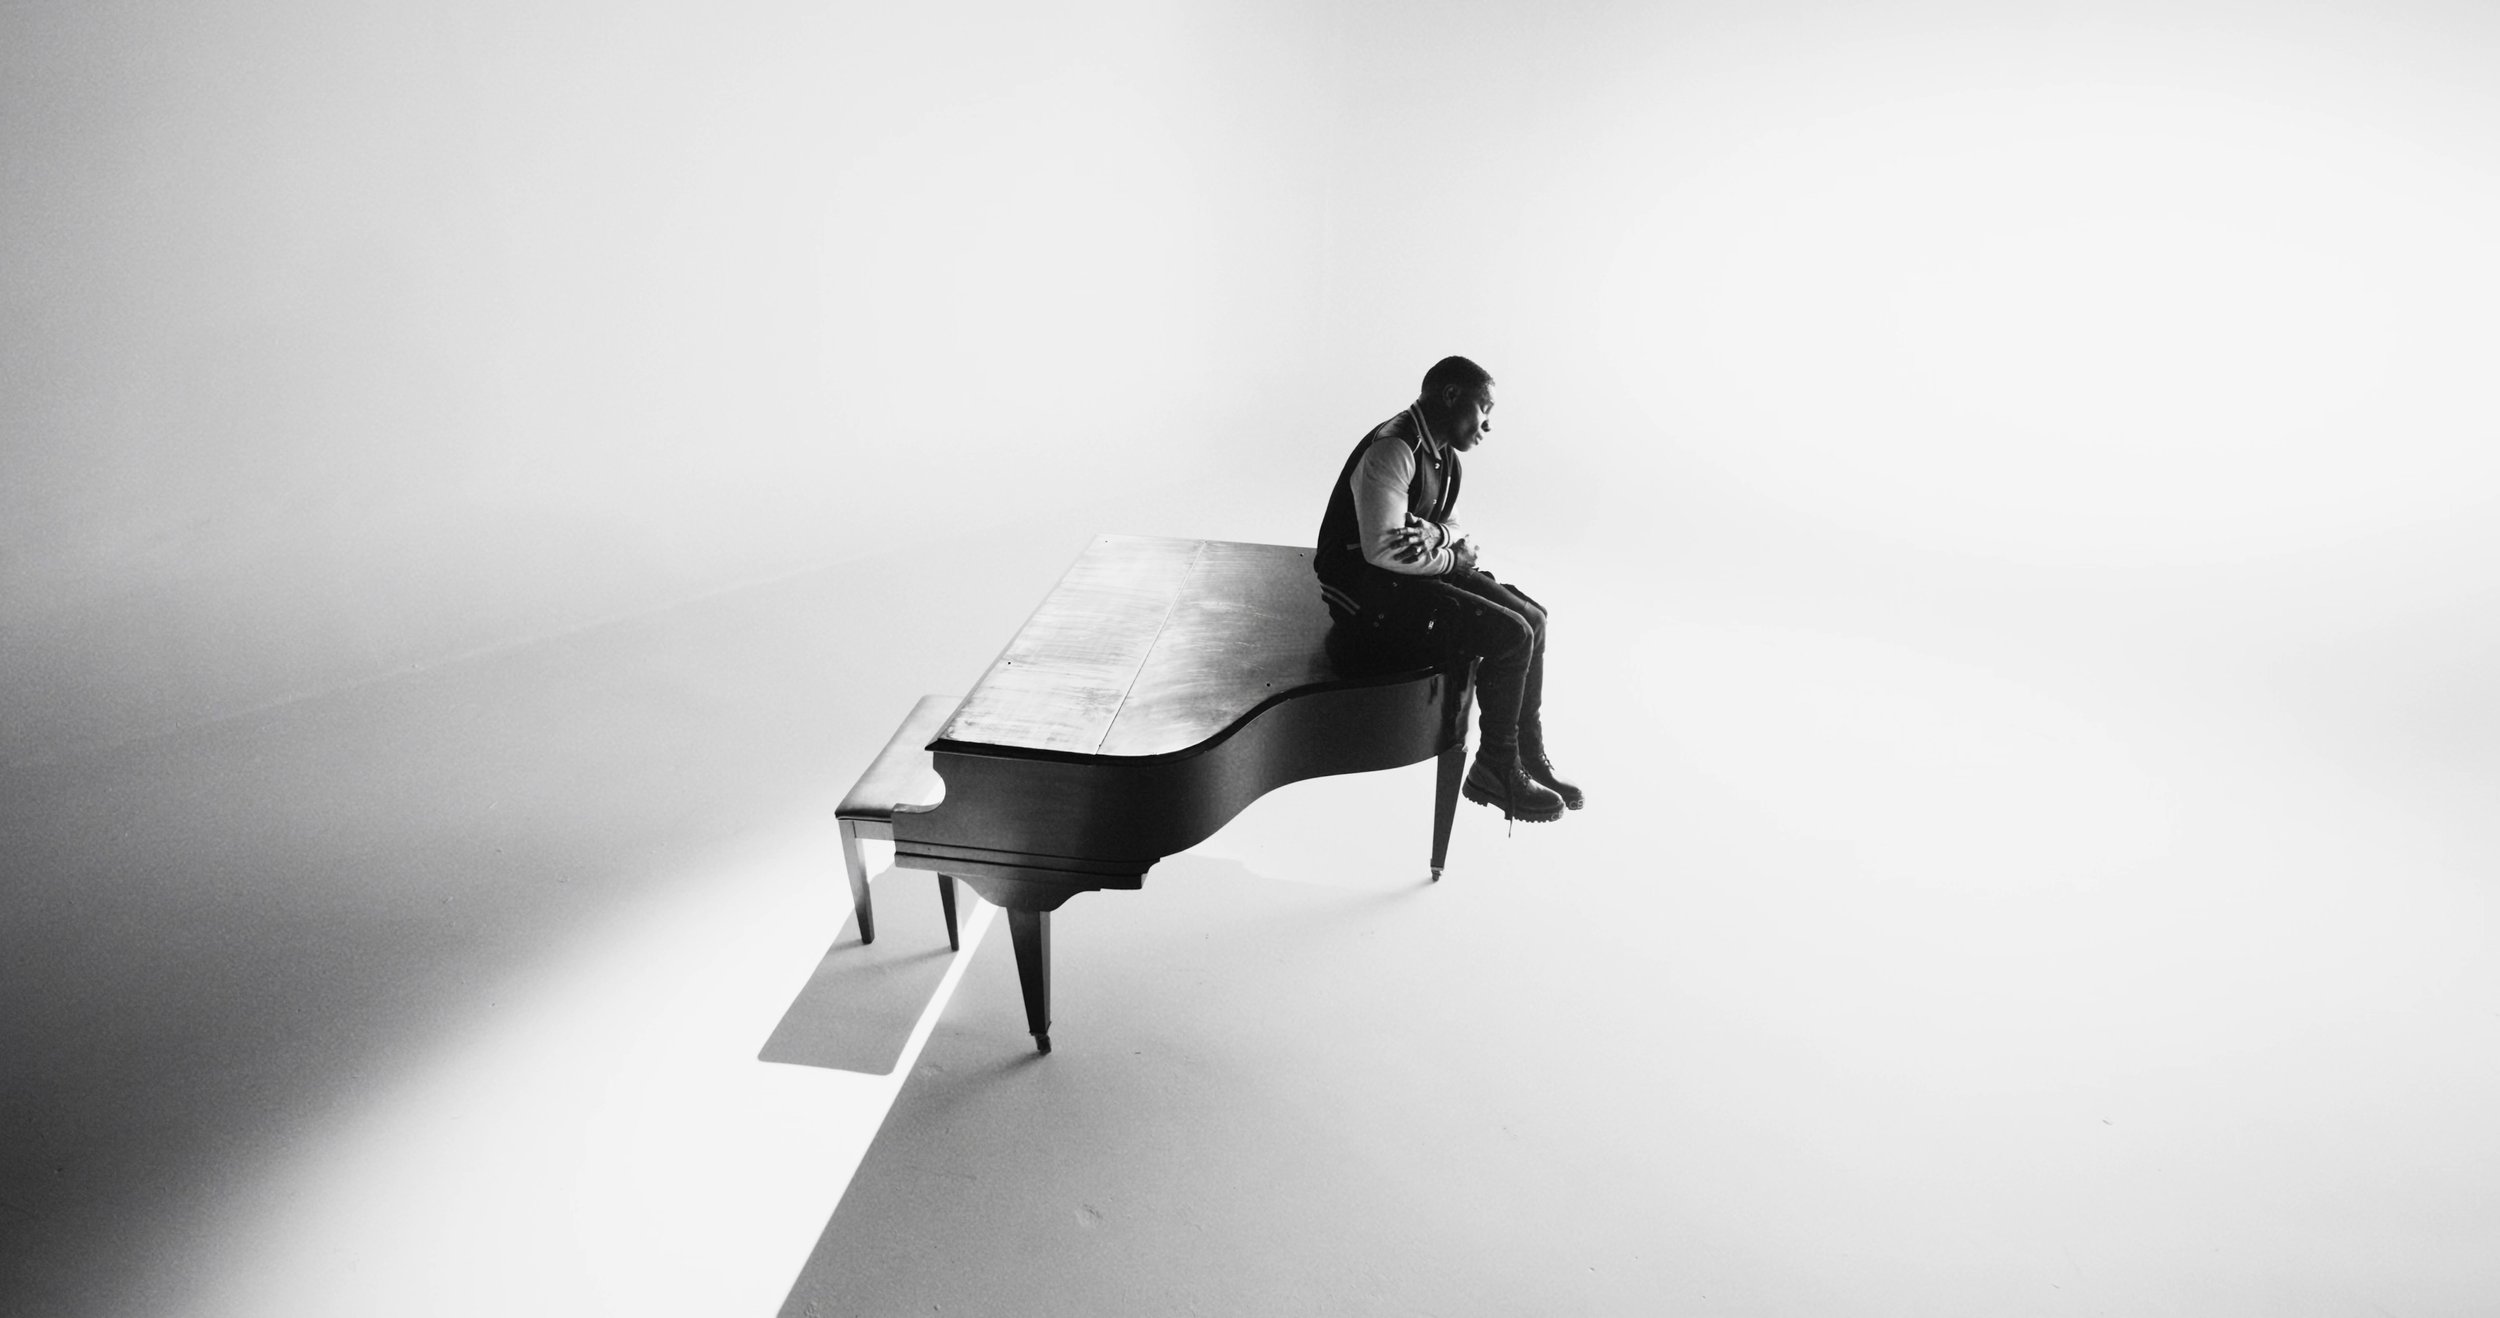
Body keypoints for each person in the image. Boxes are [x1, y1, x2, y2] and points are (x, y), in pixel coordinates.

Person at [1313, 355, 1582, 823]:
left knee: (1533, 619)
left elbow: (1451, 522)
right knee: (1510, 635)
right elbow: (1383, 552)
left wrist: (1435, 536)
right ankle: (1494, 769)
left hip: (1406, 574)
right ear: (1452, 396)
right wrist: (1452, 555)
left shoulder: (1445, 457)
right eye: (1485, 409)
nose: (1488, 425)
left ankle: (1524, 752)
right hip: (1364, 593)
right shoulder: (1395, 448)